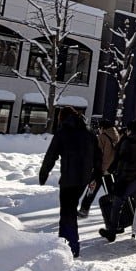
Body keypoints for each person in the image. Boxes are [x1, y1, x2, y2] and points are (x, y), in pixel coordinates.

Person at [38, 107, 95, 257]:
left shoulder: (63, 132)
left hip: (69, 178)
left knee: (67, 213)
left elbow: (51, 155)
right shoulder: (89, 132)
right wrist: (95, 175)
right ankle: (67, 244)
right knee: (70, 210)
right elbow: (98, 156)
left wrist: (43, 174)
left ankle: (69, 246)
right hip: (83, 179)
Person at [99, 120, 136, 247]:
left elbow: (120, 159)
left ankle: (112, 232)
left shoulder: (128, 141)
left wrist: (111, 171)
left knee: (117, 204)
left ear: (130, 129)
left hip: (128, 179)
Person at [78, 119, 122, 218]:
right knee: (111, 192)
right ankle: (117, 212)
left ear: (102, 128)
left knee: (91, 190)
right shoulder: (116, 136)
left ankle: (84, 210)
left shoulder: (102, 137)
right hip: (111, 170)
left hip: (100, 169)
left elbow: (97, 153)